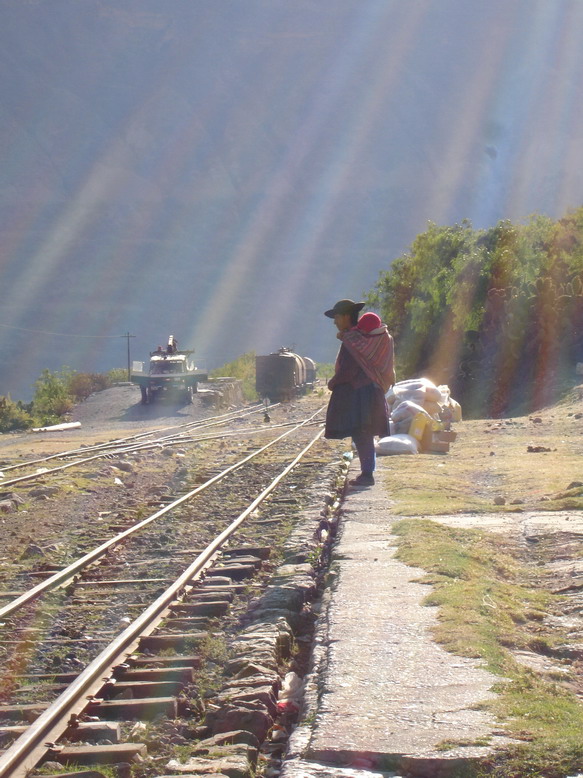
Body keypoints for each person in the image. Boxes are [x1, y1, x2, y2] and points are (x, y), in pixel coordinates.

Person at [324, 299, 395, 486]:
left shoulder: (353, 340)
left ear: (347, 316)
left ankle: (367, 475)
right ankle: (367, 472)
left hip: (360, 394)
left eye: (337, 317)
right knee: (364, 433)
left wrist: (333, 383)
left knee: (362, 433)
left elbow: (349, 370)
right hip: (369, 392)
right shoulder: (364, 338)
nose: (335, 322)